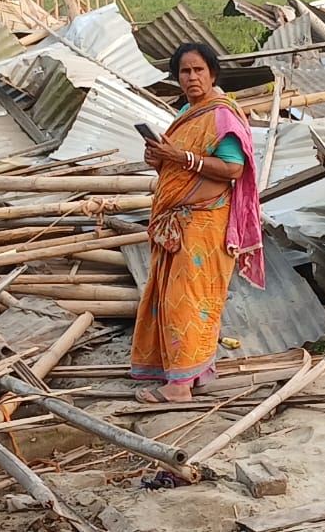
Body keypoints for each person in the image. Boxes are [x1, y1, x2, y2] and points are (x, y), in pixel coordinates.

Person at [131, 42, 266, 404]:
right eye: (184, 72)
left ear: (212, 73)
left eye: (198, 70)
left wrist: (182, 157)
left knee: (188, 301)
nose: (191, 77)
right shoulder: (188, 113)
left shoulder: (221, 114)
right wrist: (159, 159)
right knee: (175, 298)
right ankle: (193, 374)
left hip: (205, 223)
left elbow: (233, 169)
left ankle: (178, 388)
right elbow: (178, 164)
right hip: (178, 222)